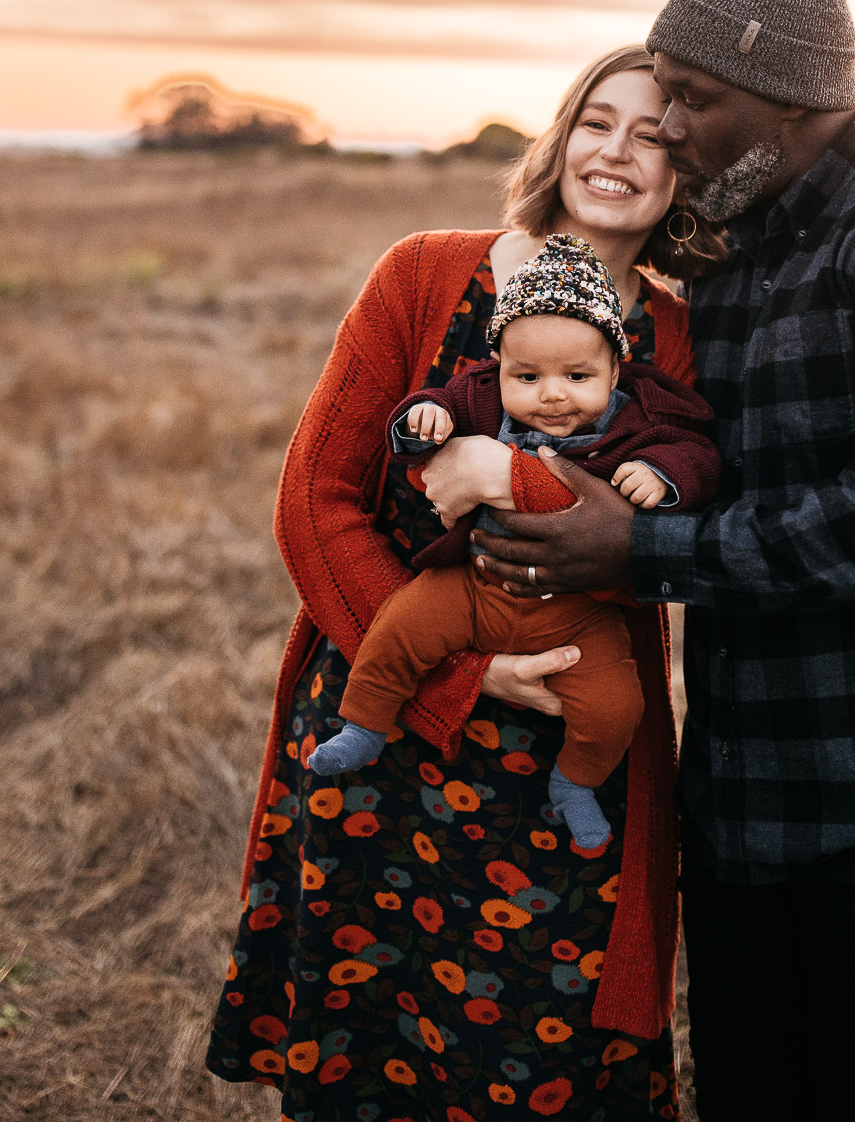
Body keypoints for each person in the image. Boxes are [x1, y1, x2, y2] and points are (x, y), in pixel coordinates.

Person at [465, 0, 855, 1122]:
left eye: (694, 96)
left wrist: (641, 555)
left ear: (793, 100)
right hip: (745, 793)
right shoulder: (732, 246)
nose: (670, 127)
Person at [206, 44, 725, 1120]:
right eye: (597, 119)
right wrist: (465, 672)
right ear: (562, 133)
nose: (617, 150)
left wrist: (518, 474)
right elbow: (315, 501)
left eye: (654, 134)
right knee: (366, 1049)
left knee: (543, 1067)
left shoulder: (677, 334)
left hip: (562, 763)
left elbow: (677, 512)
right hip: (387, 724)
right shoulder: (427, 273)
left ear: (690, 173)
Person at [308, 233, 721, 853]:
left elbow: (697, 456)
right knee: (401, 626)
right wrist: (426, 421)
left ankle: (576, 782)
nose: (552, 394)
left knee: (616, 706)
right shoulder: (477, 397)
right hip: (475, 587)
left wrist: (663, 478)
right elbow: (429, 407)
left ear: (616, 369)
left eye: (577, 376)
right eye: (527, 376)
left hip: (578, 615)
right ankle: (365, 720)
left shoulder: (640, 420)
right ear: (497, 367)